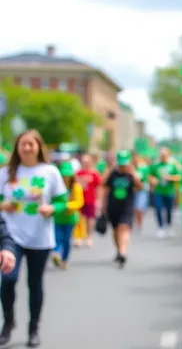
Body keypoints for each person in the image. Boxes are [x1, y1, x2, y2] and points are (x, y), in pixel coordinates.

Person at [0, 129, 69, 347]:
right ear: (17, 148)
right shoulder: (6, 173)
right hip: (11, 236)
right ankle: (8, 322)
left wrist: (52, 208)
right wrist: (3, 205)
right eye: (23, 144)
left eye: (31, 144)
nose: (27, 148)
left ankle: (33, 328)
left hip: (40, 236)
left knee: (34, 283)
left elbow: (62, 201)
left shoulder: (50, 172)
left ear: (39, 147)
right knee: (8, 279)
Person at [101, 150, 142, 268]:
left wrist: (134, 174)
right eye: (121, 164)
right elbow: (104, 186)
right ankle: (118, 250)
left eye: (125, 164)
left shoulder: (131, 174)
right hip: (113, 206)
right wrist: (102, 205)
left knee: (124, 228)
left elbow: (140, 187)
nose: (123, 167)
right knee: (115, 230)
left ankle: (123, 252)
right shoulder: (112, 173)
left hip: (127, 206)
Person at [51, 162, 84, 269]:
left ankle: (64, 260)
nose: (66, 177)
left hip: (70, 218)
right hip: (58, 217)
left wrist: (66, 206)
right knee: (57, 237)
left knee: (66, 240)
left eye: (68, 175)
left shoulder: (76, 187)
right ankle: (56, 254)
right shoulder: (56, 186)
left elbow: (79, 202)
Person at [149, 147, 181, 238]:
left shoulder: (173, 165)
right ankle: (160, 227)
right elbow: (150, 176)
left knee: (169, 210)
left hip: (169, 191)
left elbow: (179, 177)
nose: (163, 156)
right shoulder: (155, 165)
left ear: (168, 155)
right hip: (158, 191)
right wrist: (153, 180)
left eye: (164, 155)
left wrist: (170, 178)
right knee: (158, 209)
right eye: (161, 155)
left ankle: (169, 226)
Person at [74, 154, 101, 247]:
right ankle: (79, 237)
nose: (85, 164)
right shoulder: (78, 173)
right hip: (79, 200)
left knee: (90, 220)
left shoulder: (94, 173)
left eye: (87, 162)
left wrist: (99, 200)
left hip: (91, 200)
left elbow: (98, 187)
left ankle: (89, 236)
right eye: (84, 162)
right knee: (78, 219)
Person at [132, 152, 150, 231]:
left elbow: (147, 179)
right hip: (132, 191)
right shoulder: (129, 168)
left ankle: (140, 223)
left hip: (142, 191)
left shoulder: (143, 168)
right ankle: (135, 222)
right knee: (134, 208)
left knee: (139, 208)